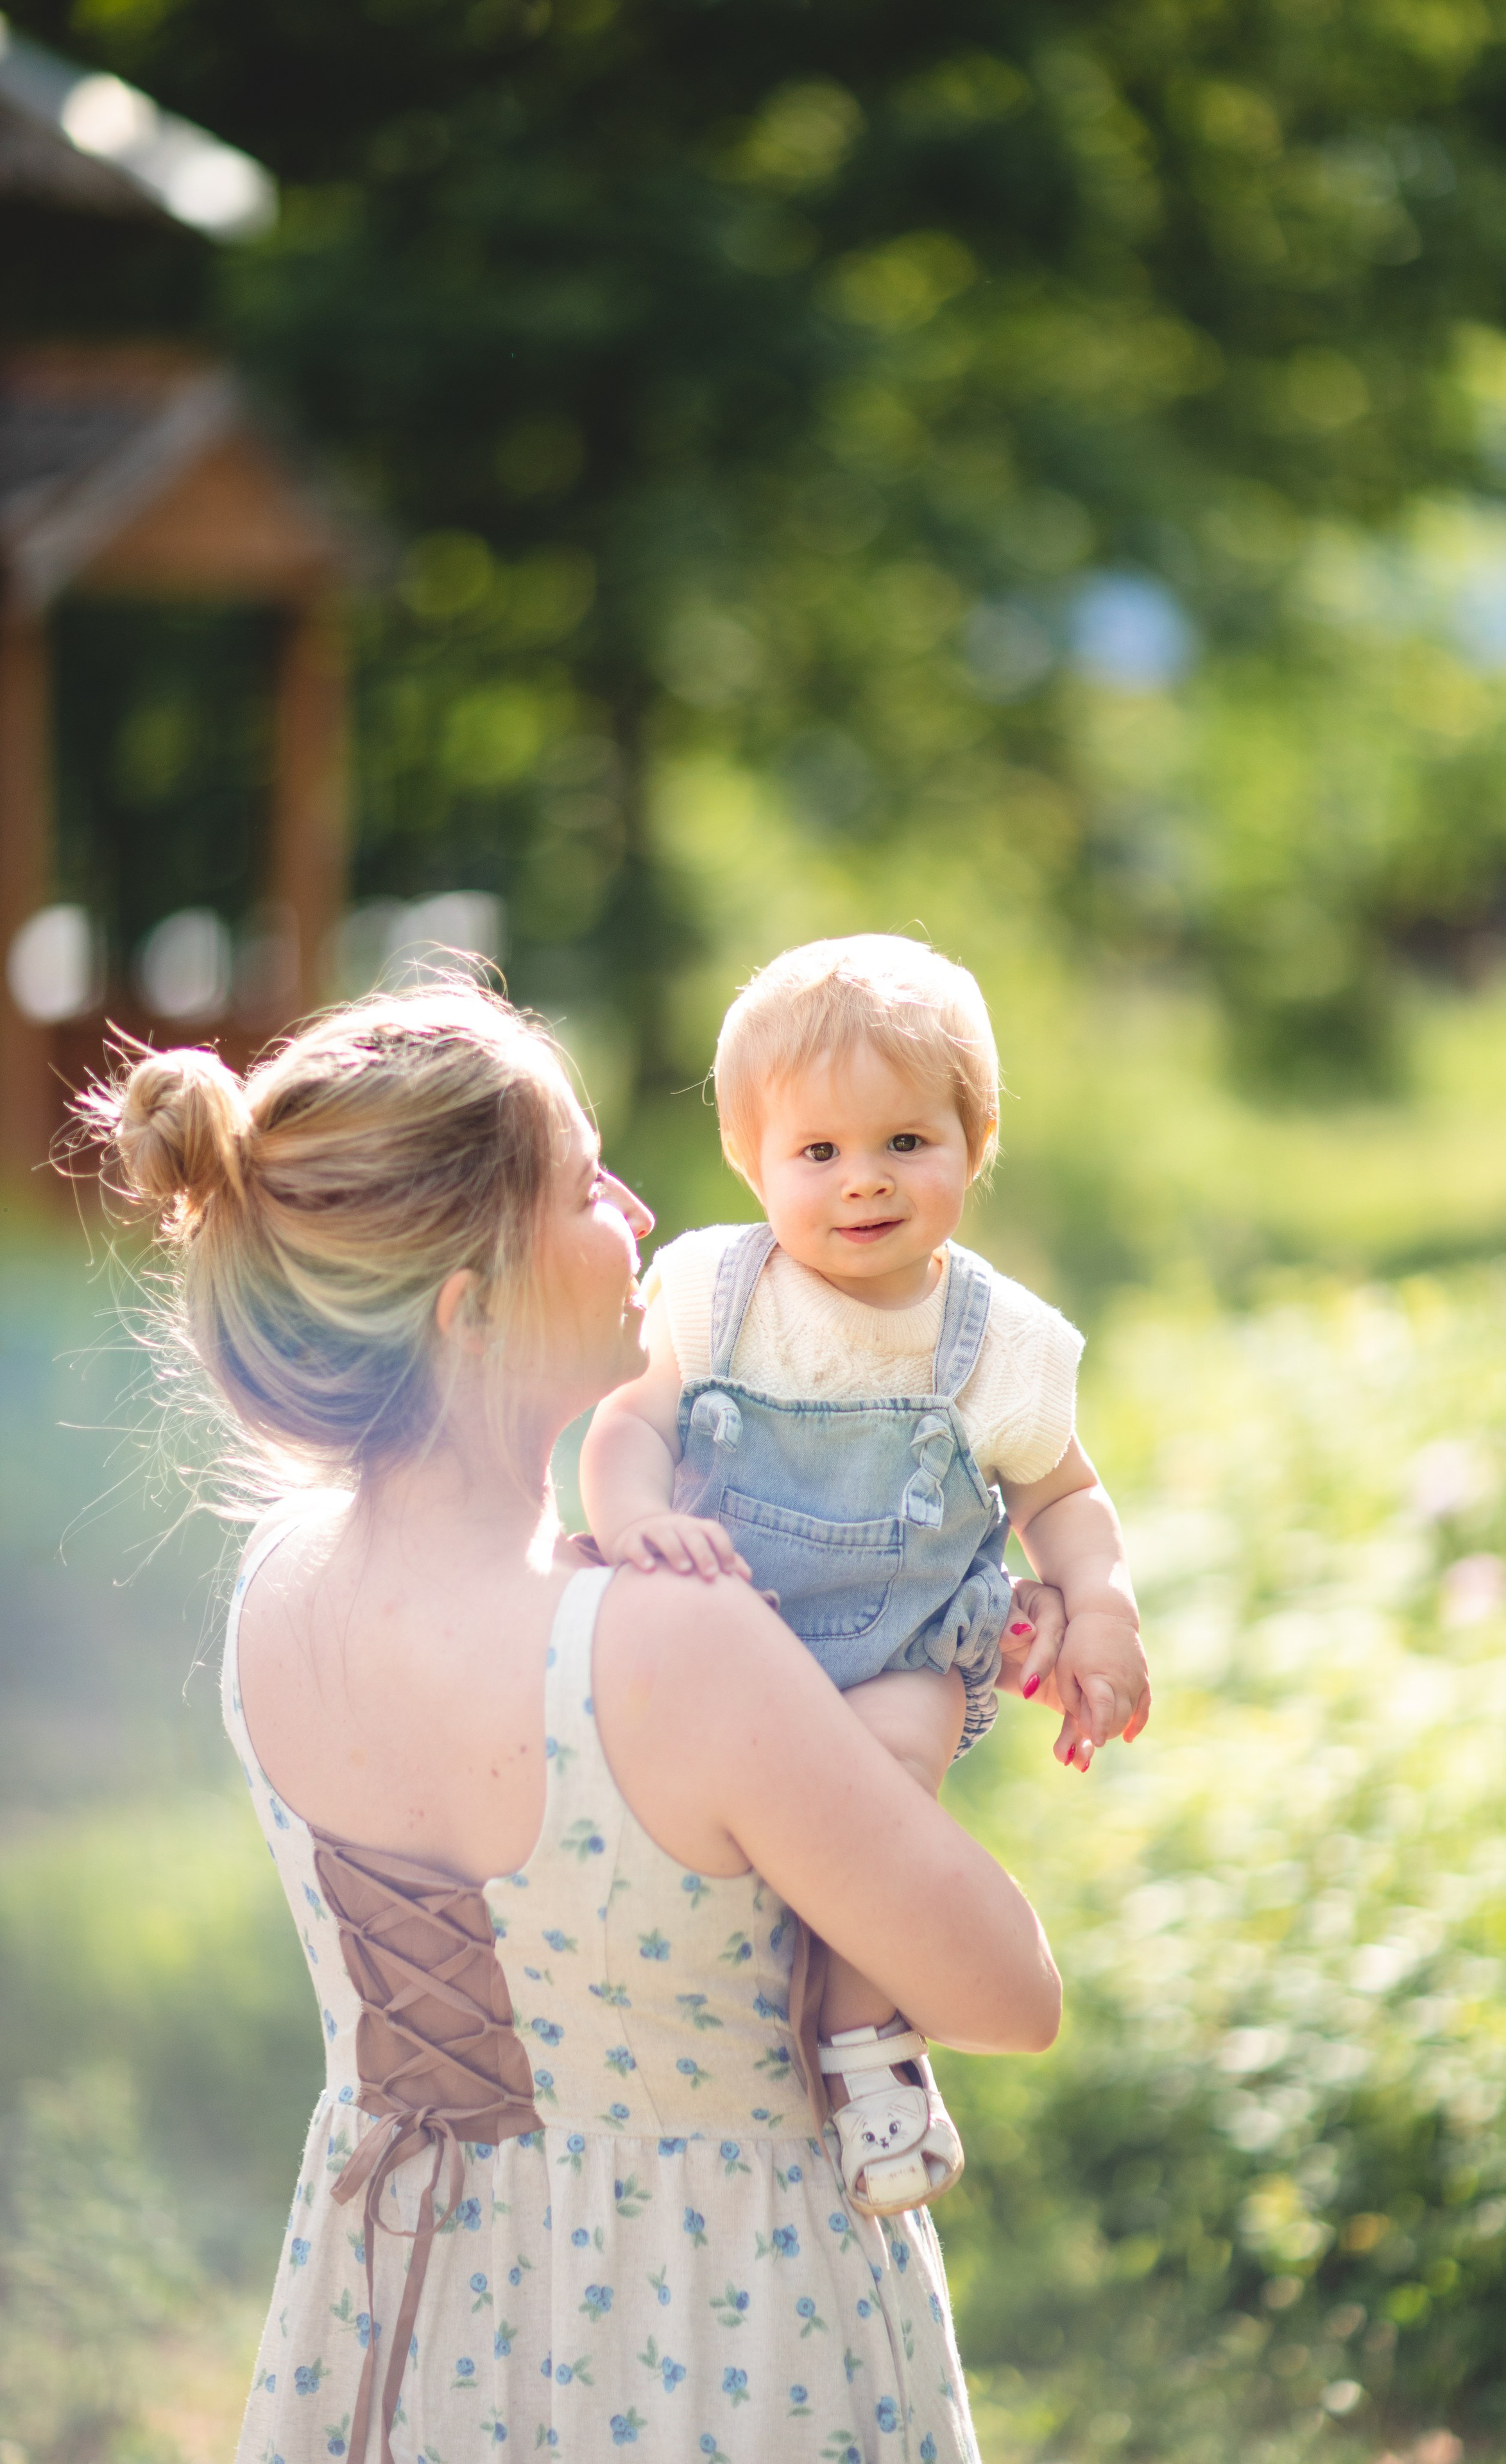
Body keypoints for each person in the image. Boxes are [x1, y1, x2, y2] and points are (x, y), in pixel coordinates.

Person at [76, 985, 1063, 2464]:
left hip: (400, 2324)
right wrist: (925, 1671)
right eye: (586, 1186)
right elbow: (1007, 1993)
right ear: (469, 1305)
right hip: (718, 2338)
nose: (641, 1213)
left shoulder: (277, 1593)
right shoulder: (669, 1647)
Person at [579, 937, 1145, 2214]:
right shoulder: (714, 1293)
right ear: (752, 1161)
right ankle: (723, 2004)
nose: (864, 1181)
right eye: (819, 1152)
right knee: (696, 1845)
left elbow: (1062, 1495)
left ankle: (863, 2041)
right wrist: (631, 1523)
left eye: (905, 1142)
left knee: (879, 1801)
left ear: (975, 1140)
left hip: (899, 1655)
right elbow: (628, 1425)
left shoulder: (996, 1343)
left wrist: (1100, 1605)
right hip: (721, 1642)